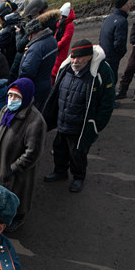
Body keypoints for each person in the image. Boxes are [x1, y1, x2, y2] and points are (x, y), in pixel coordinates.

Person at [42, 40, 116, 193]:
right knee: (59, 148)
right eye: (73, 57)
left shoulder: (100, 73)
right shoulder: (66, 69)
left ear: (89, 57)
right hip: (63, 122)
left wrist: (95, 126)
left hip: (80, 127)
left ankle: (78, 177)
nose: (75, 61)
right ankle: (60, 171)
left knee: (78, 154)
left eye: (79, 58)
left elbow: (107, 104)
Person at [0, 78, 47, 232]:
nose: (11, 100)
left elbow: (33, 152)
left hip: (17, 171)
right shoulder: (5, 111)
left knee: (18, 194)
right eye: (10, 95)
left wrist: (14, 168)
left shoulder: (35, 121)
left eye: (16, 97)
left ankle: (18, 217)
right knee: (2, 192)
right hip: (1, 162)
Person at [18, 19, 58, 112]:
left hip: (36, 89)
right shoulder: (51, 40)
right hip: (46, 84)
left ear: (31, 34)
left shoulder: (35, 48)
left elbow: (27, 71)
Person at [99, 0, 133, 88]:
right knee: (111, 79)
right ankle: (110, 101)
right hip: (112, 56)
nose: (131, 5)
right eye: (130, 3)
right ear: (124, 6)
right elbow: (119, 42)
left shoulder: (109, 18)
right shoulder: (122, 21)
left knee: (105, 77)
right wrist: (120, 53)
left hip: (104, 53)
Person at [52, 3, 75, 85]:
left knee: (55, 70)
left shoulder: (69, 25)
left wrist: (54, 46)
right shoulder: (61, 24)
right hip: (57, 49)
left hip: (60, 51)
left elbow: (65, 40)